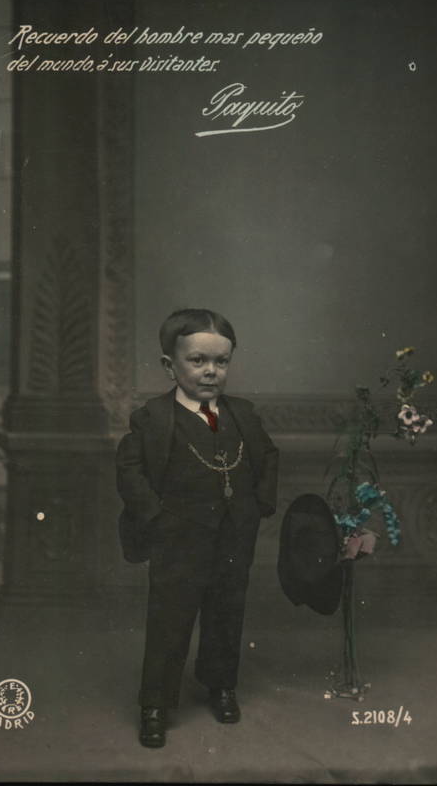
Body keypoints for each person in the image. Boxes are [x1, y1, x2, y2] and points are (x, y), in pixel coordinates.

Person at [116, 308, 279, 748]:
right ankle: (155, 703)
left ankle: (221, 686)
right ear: (170, 365)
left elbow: (268, 456)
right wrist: (156, 518)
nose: (211, 371)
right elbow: (129, 470)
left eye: (221, 362)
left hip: (232, 535)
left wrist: (258, 504)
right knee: (170, 619)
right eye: (198, 360)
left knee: (226, 613)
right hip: (177, 538)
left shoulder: (242, 414)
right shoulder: (153, 418)